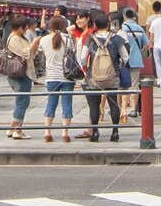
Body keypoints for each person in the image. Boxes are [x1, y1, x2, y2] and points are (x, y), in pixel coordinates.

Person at [79, 12, 127, 142]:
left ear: (94, 25)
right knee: (113, 104)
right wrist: (118, 66)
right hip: (112, 77)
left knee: (94, 105)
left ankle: (95, 133)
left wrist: (87, 69)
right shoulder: (116, 39)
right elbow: (125, 57)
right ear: (108, 24)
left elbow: (82, 59)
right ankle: (115, 132)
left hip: (93, 77)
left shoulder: (90, 38)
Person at [38, 16, 76, 143]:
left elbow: (41, 54)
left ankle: (47, 132)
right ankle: (65, 133)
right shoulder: (69, 39)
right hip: (67, 77)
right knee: (67, 104)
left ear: (50, 26)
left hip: (51, 77)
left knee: (51, 103)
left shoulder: (43, 40)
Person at [4, 16, 38, 139]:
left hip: (23, 73)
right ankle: (17, 130)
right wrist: (34, 43)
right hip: (20, 74)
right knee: (22, 102)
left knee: (22, 101)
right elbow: (25, 54)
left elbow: (31, 54)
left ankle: (12, 127)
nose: (26, 30)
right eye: (24, 28)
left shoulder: (19, 37)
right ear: (19, 28)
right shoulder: (14, 39)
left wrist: (34, 46)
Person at [118, 9, 148, 119]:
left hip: (123, 60)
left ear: (124, 16)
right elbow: (146, 44)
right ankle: (133, 109)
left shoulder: (122, 29)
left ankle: (122, 108)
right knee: (134, 85)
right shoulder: (140, 28)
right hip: (136, 60)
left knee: (122, 85)